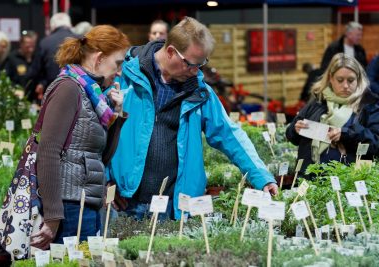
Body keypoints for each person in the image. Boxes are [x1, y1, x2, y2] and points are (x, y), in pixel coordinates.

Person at [106, 16, 277, 221]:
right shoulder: (124, 77)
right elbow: (97, 133)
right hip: (125, 202)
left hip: (173, 209)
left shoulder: (198, 90)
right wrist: (105, 180)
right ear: (171, 52)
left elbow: (229, 134)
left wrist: (262, 177)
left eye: (201, 64)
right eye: (191, 64)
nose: (196, 71)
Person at [30, 25, 130, 249]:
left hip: (86, 201)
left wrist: (117, 115)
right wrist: (53, 216)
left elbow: (100, 157)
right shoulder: (68, 88)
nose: (119, 71)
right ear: (100, 57)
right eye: (118, 63)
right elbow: (48, 151)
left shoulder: (92, 94)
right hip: (68, 208)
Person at [286, 53, 379, 176]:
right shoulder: (318, 100)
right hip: (308, 180)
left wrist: (345, 134)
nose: (345, 86)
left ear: (358, 79)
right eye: (340, 80)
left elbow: (376, 143)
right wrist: (295, 129)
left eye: (351, 80)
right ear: (331, 78)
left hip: (347, 181)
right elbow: (291, 136)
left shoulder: (369, 105)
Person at [27, 12, 77, 102]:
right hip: (79, 94)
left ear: (52, 26)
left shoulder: (45, 42)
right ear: (70, 24)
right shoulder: (81, 40)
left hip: (53, 94)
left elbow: (35, 72)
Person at [6, 31, 38, 101]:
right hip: (17, 97)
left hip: (34, 99)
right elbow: (7, 78)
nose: (30, 47)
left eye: (32, 44)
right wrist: (13, 89)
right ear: (21, 44)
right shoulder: (12, 58)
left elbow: (41, 75)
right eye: (28, 44)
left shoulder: (37, 57)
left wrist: (42, 83)